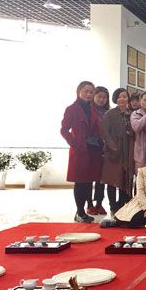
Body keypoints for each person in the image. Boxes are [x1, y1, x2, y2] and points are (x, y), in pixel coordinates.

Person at [60, 81, 103, 223]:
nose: (89, 94)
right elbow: (64, 130)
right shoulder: (72, 109)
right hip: (80, 150)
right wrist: (74, 144)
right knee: (80, 182)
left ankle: (82, 212)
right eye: (86, 91)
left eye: (91, 92)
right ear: (79, 92)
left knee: (88, 182)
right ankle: (79, 212)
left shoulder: (93, 109)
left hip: (93, 150)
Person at [100, 146, 146, 228]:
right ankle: (117, 223)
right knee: (133, 218)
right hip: (143, 205)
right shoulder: (142, 172)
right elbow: (140, 192)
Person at [101, 88, 135, 215]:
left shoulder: (131, 114)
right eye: (119, 97)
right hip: (113, 152)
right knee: (112, 179)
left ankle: (121, 204)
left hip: (128, 151)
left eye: (125, 96)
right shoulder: (109, 114)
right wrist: (113, 147)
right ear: (115, 99)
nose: (122, 99)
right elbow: (104, 133)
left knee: (125, 178)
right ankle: (113, 206)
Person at [88, 85, 110, 216]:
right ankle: (89, 204)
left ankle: (99, 203)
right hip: (91, 147)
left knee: (101, 178)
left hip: (104, 149)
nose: (101, 99)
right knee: (89, 177)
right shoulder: (88, 110)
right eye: (99, 96)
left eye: (104, 97)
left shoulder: (109, 112)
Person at [130, 91, 146, 171]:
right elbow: (136, 127)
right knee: (141, 173)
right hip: (139, 149)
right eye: (145, 100)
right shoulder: (135, 114)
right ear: (140, 101)